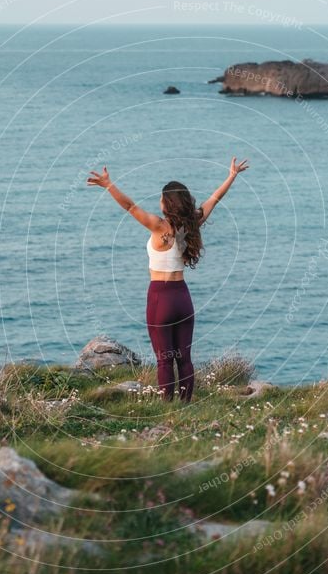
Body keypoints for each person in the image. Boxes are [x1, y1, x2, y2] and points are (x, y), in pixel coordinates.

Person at [86, 157, 249, 402]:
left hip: (160, 298)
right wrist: (232, 176)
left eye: (162, 198)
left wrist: (109, 185)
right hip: (183, 298)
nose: (159, 202)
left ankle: (166, 407)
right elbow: (215, 199)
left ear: (167, 204)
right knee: (184, 358)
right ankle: (185, 404)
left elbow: (129, 206)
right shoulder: (192, 224)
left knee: (164, 360)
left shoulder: (158, 227)